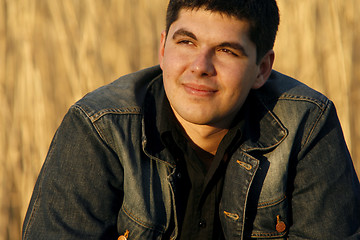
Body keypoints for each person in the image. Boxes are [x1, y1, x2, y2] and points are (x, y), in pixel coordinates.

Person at [22, 0, 360, 239]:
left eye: (227, 50)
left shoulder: (306, 126)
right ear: (163, 49)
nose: (200, 65)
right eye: (186, 41)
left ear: (262, 69)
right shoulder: (100, 128)